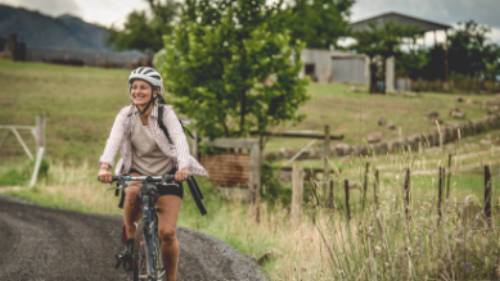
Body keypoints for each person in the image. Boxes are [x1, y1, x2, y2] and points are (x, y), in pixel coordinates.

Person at [97, 66, 207, 281]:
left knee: (167, 233)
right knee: (131, 193)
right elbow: (113, 141)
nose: (137, 91)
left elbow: (180, 141)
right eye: (134, 87)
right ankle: (130, 237)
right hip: (137, 171)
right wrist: (105, 166)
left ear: (155, 91)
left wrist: (183, 167)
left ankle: (171, 279)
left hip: (168, 175)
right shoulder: (125, 115)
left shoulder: (166, 114)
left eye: (143, 88)